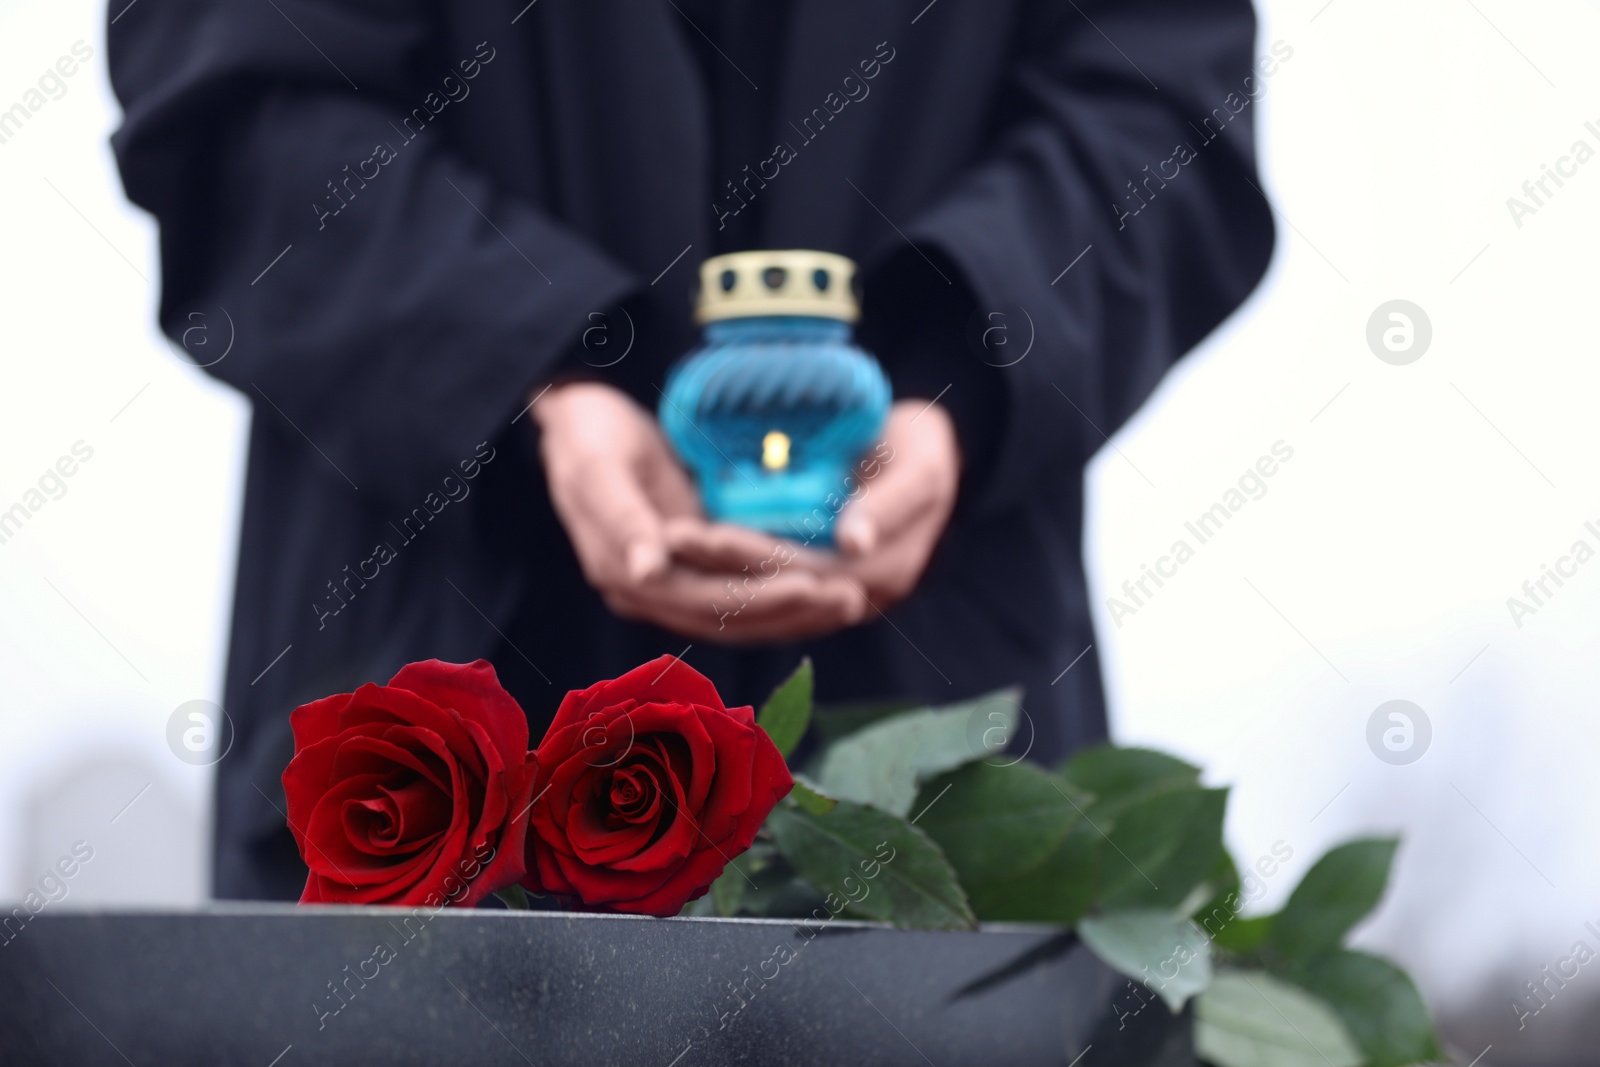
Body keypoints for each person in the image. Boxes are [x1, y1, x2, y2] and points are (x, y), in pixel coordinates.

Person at [108, 0, 1274, 901]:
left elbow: (1167, 93)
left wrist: (956, 371)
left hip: (941, 748)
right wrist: (531, 364)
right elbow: (230, 92)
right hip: (437, 698)